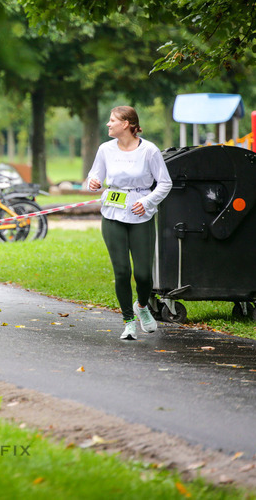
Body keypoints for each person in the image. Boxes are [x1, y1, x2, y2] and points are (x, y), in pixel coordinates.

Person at [86, 106, 172, 341]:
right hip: (113, 212)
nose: (108, 124)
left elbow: (165, 183)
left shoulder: (149, 151)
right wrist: (93, 182)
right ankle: (128, 321)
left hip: (140, 213)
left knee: (143, 274)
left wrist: (147, 201)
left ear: (126, 124)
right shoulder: (105, 149)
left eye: (112, 120)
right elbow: (93, 176)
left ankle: (142, 306)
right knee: (122, 271)